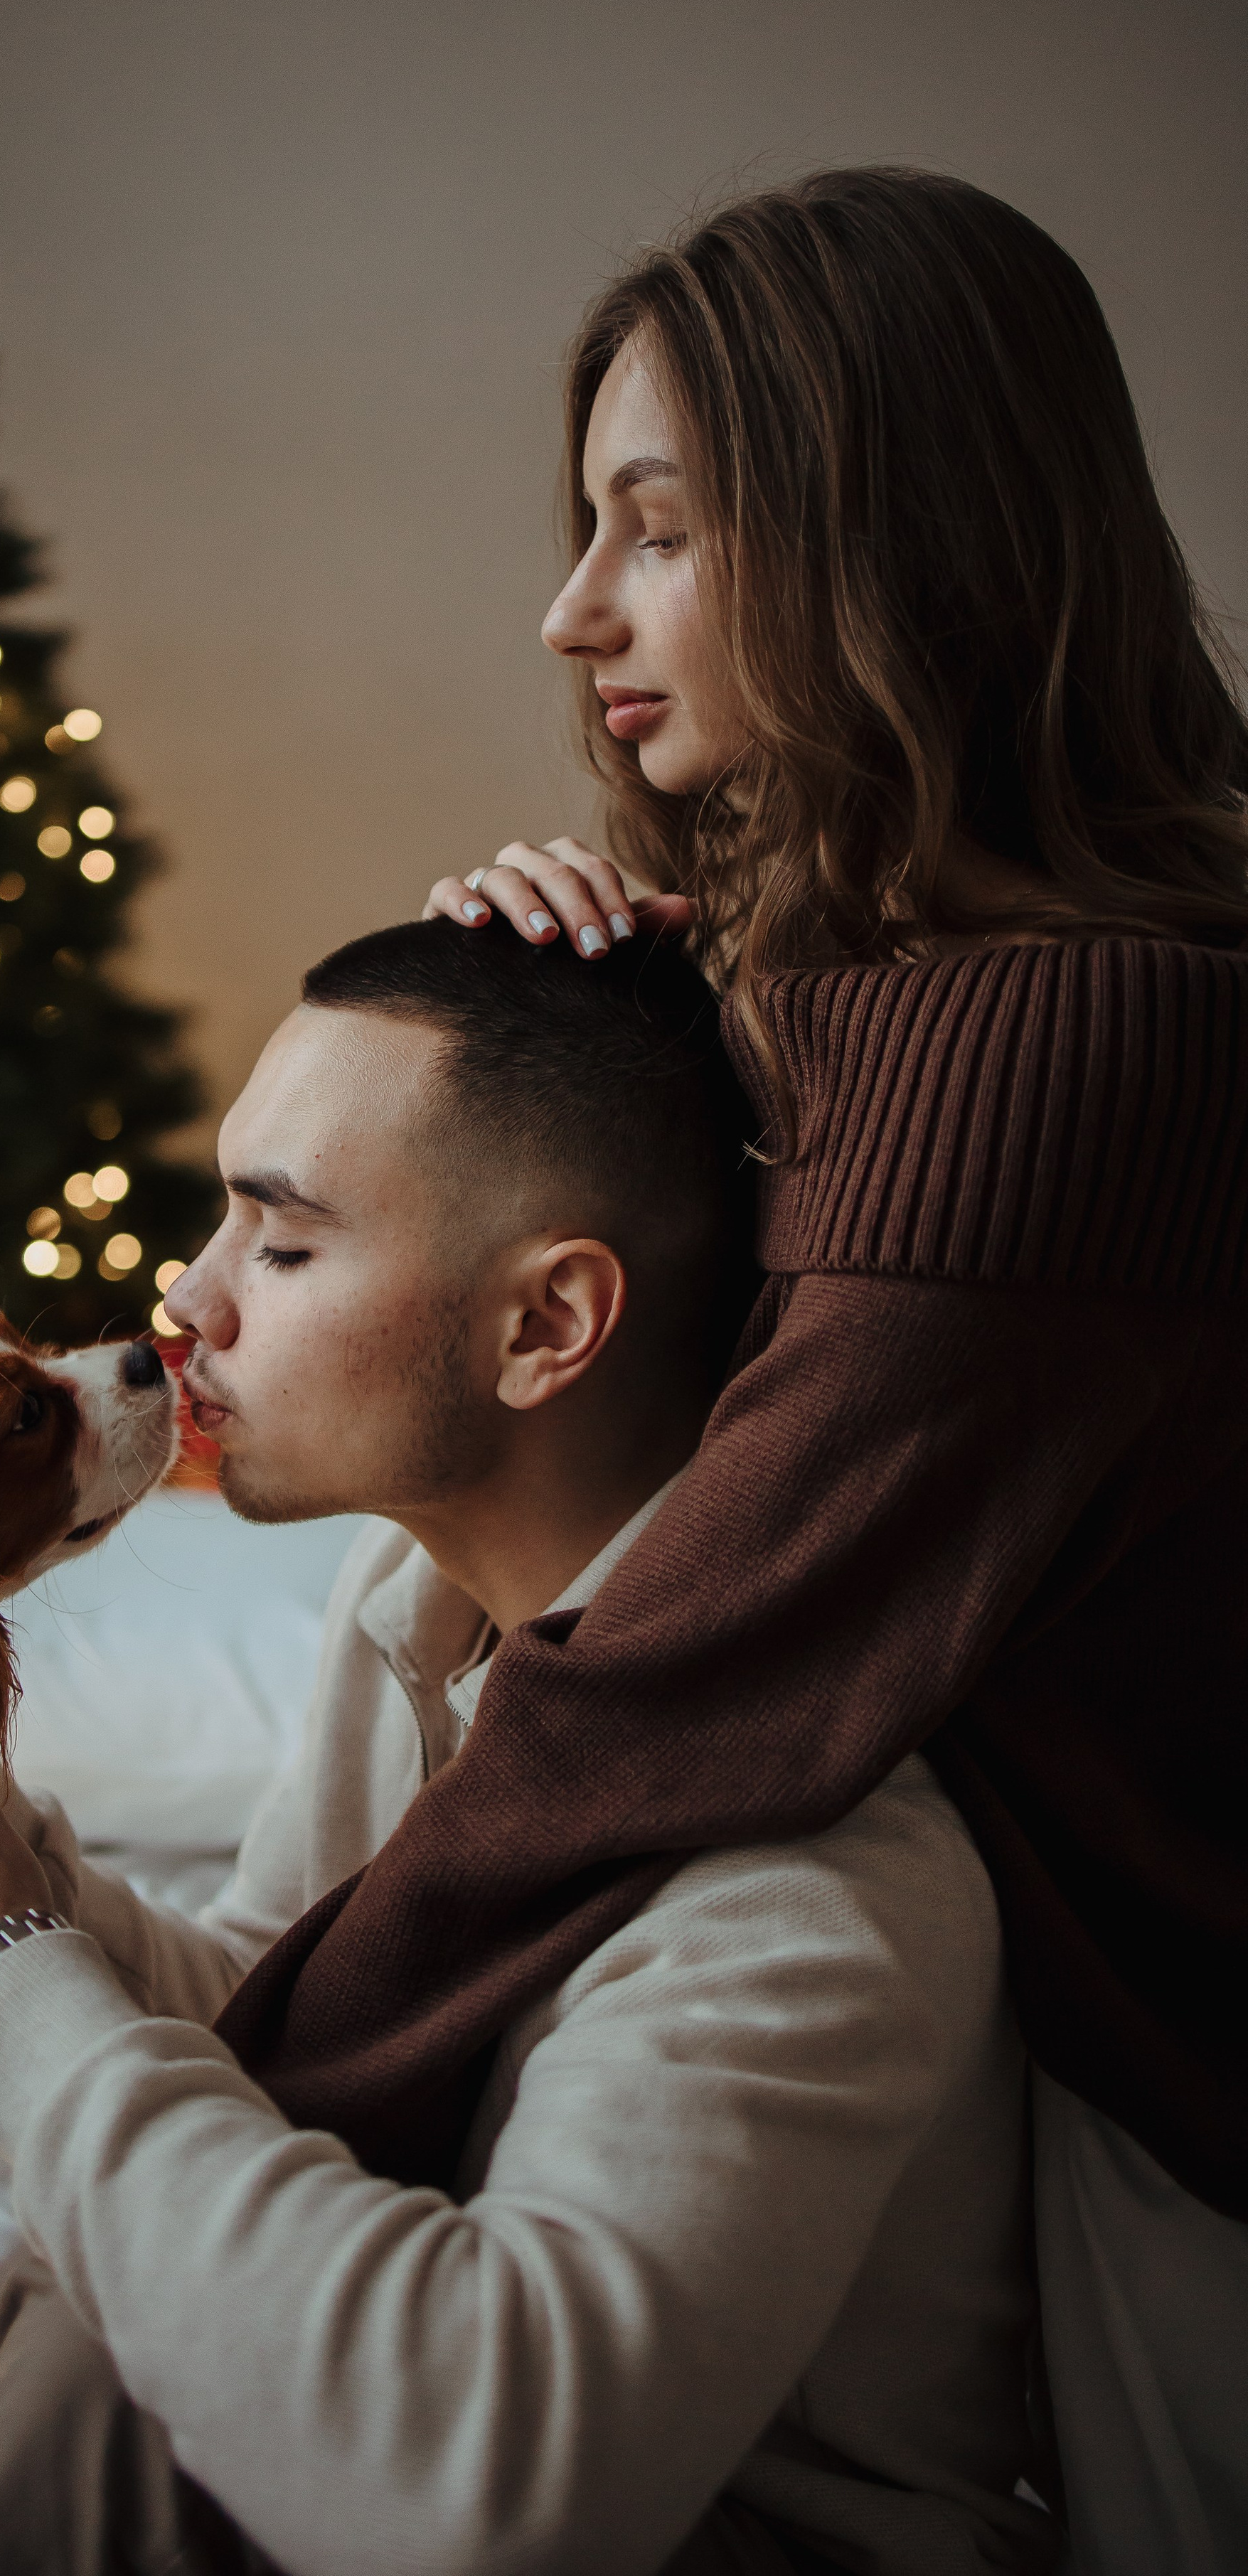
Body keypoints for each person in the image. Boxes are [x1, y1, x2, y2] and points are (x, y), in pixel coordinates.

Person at [0, 921, 1051, 2575]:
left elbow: (485, 2484)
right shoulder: (416, 1606)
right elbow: (278, 2001)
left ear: (545, 1327)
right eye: (221, 1213)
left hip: (682, 2524)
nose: (185, 1301)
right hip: (338, 2418)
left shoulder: (808, 1871)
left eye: (285, 1241)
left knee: (110, 2384)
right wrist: (4, 1881)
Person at [402, 167, 1248, 2574]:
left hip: (1172, 2167)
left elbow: (665, 1677)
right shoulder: (900, 996)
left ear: (910, 544)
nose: (575, 615)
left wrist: (178, 2100)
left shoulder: (1081, 1042)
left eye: (654, 534)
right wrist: (591, 1043)